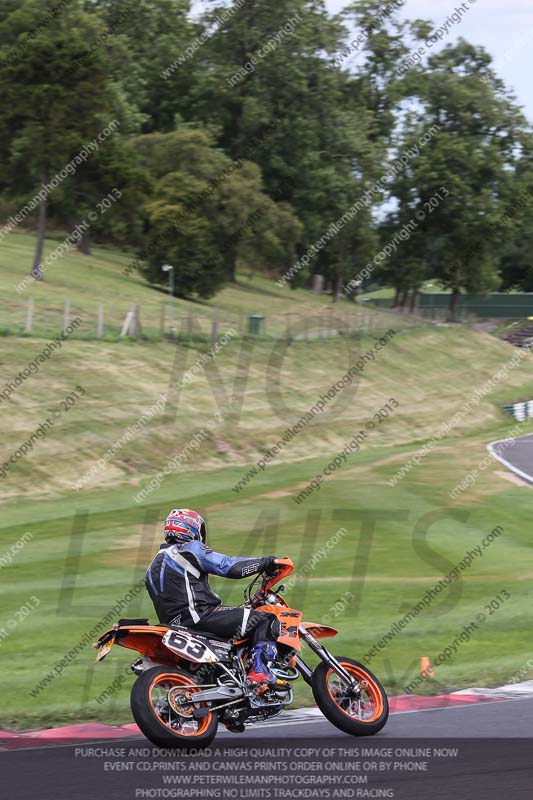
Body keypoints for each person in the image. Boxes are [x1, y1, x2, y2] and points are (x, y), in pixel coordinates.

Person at [145, 508, 282, 685]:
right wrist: (266, 562)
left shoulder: (152, 566)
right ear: (192, 529)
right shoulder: (190, 549)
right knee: (267, 620)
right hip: (201, 617)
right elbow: (230, 567)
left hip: (173, 626)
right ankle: (259, 672)